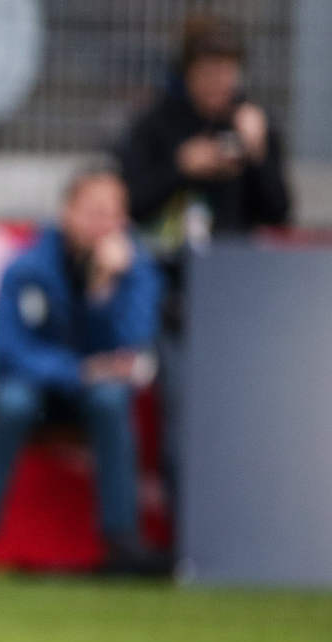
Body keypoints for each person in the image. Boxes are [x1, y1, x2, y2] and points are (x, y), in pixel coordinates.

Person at [0, 164, 163, 574]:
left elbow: (135, 341)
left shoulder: (134, 268)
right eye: (95, 211)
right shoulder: (26, 266)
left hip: (95, 396)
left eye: (114, 214)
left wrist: (106, 287)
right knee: (12, 404)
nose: (105, 224)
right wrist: (78, 372)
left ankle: (122, 541)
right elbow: (9, 350)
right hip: (36, 390)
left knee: (112, 401)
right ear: (68, 212)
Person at [113, 13, 291, 522]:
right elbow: (131, 203)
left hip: (240, 297)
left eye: (227, 73)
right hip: (175, 297)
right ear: (188, 72)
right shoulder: (156, 124)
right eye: (208, 72)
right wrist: (181, 168)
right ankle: (191, 537)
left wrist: (256, 153)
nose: (219, 84)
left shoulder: (252, 122)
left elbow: (279, 211)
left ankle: (246, 529)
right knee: (185, 416)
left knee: (248, 416)